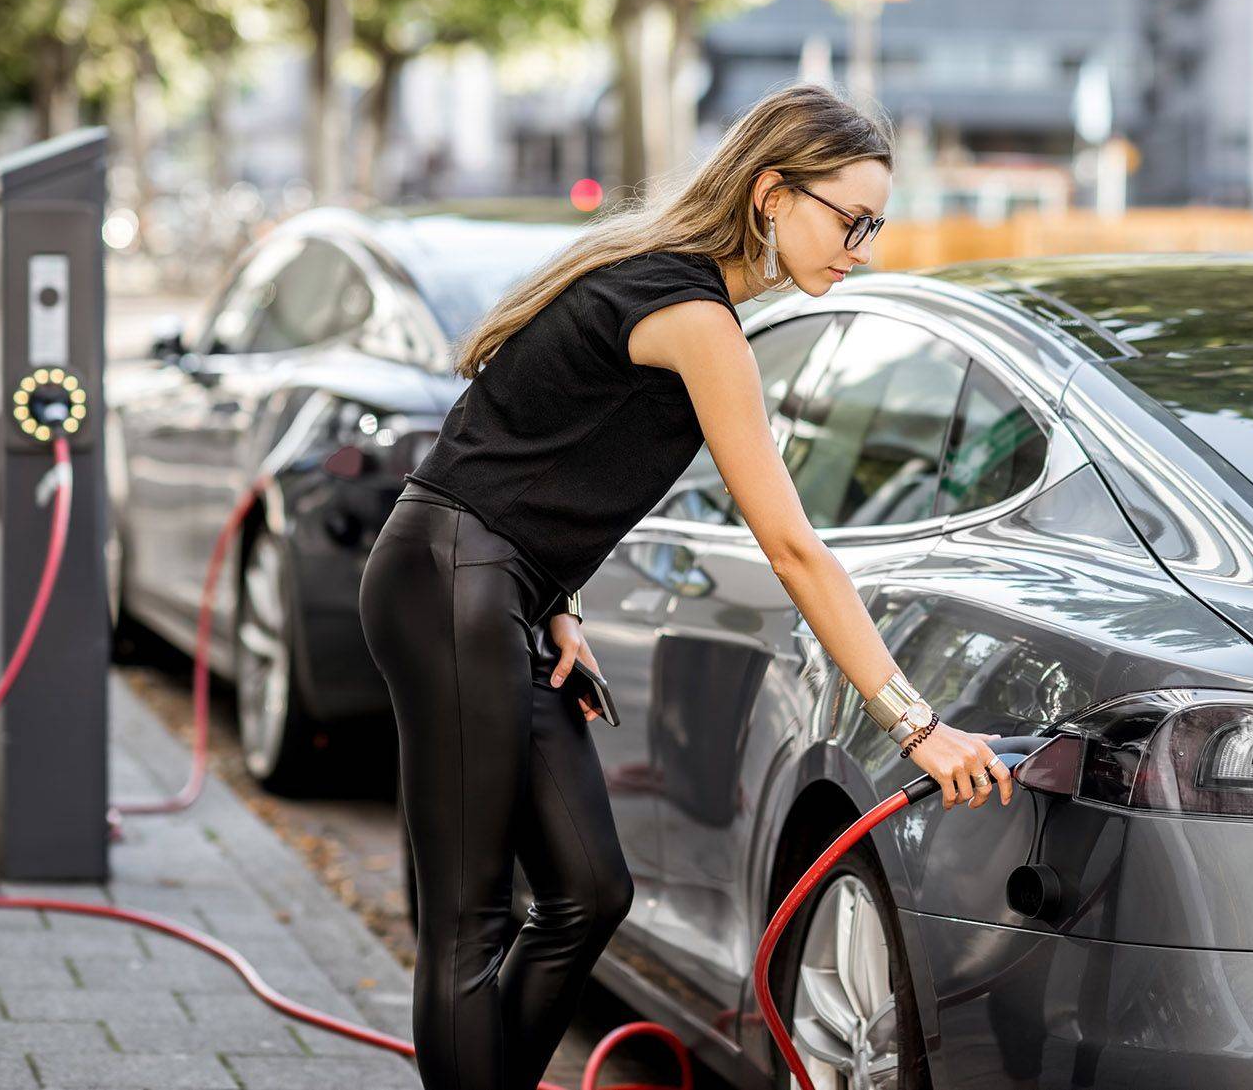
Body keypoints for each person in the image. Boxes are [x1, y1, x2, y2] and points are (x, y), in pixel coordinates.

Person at [356, 81, 1016, 1090]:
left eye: (876, 224)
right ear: (771, 195)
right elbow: (794, 549)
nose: (864, 246)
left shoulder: (665, 286)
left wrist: (556, 598)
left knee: (587, 893)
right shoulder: (689, 310)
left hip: (497, 589)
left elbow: (531, 436)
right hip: (452, 580)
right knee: (471, 918)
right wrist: (916, 723)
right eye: (852, 219)